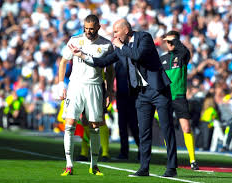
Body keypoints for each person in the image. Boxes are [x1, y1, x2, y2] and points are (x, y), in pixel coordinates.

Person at [69, 19, 178, 177]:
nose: (113, 35)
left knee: (167, 128)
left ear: (126, 31)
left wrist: (120, 46)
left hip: (158, 90)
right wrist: (83, 55)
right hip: (141, 93)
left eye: (116, 32)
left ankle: (171, 168)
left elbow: (138, 55)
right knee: (144, 131)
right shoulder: (121, 48)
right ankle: (144, 168)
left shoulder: (144, 37)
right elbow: (104, 61)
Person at [58, 14, 113, 176]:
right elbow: (63, 62)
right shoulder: (75, 40)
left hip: (95, 86)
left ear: (98, 27)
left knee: (95, 125)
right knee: (69, 124)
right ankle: (69, 165)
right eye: (86, 28)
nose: (88, 31)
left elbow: (110, 70)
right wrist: (61, 84)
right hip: (75, 85)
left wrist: (109, 91)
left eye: (91, 28)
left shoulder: (106, 45)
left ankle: (94, 166)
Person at [160, 30, 199, 170]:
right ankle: (171, 158)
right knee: (167, 129)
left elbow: (184, 49)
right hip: (165, 97)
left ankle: (193, 160)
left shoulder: (183, 55)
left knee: (186, 128)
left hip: (179, 97)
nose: (170, 44)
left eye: (172, 41)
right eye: (168, 42)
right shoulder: (162, 58)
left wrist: (174, 39)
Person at [114, 58, 140, 160]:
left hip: (132, 97)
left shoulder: (133, 61)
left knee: (134, 126)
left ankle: (142, 150)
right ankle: (124, 152)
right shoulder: (119, 63)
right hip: (121, 96)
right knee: (122, 126)